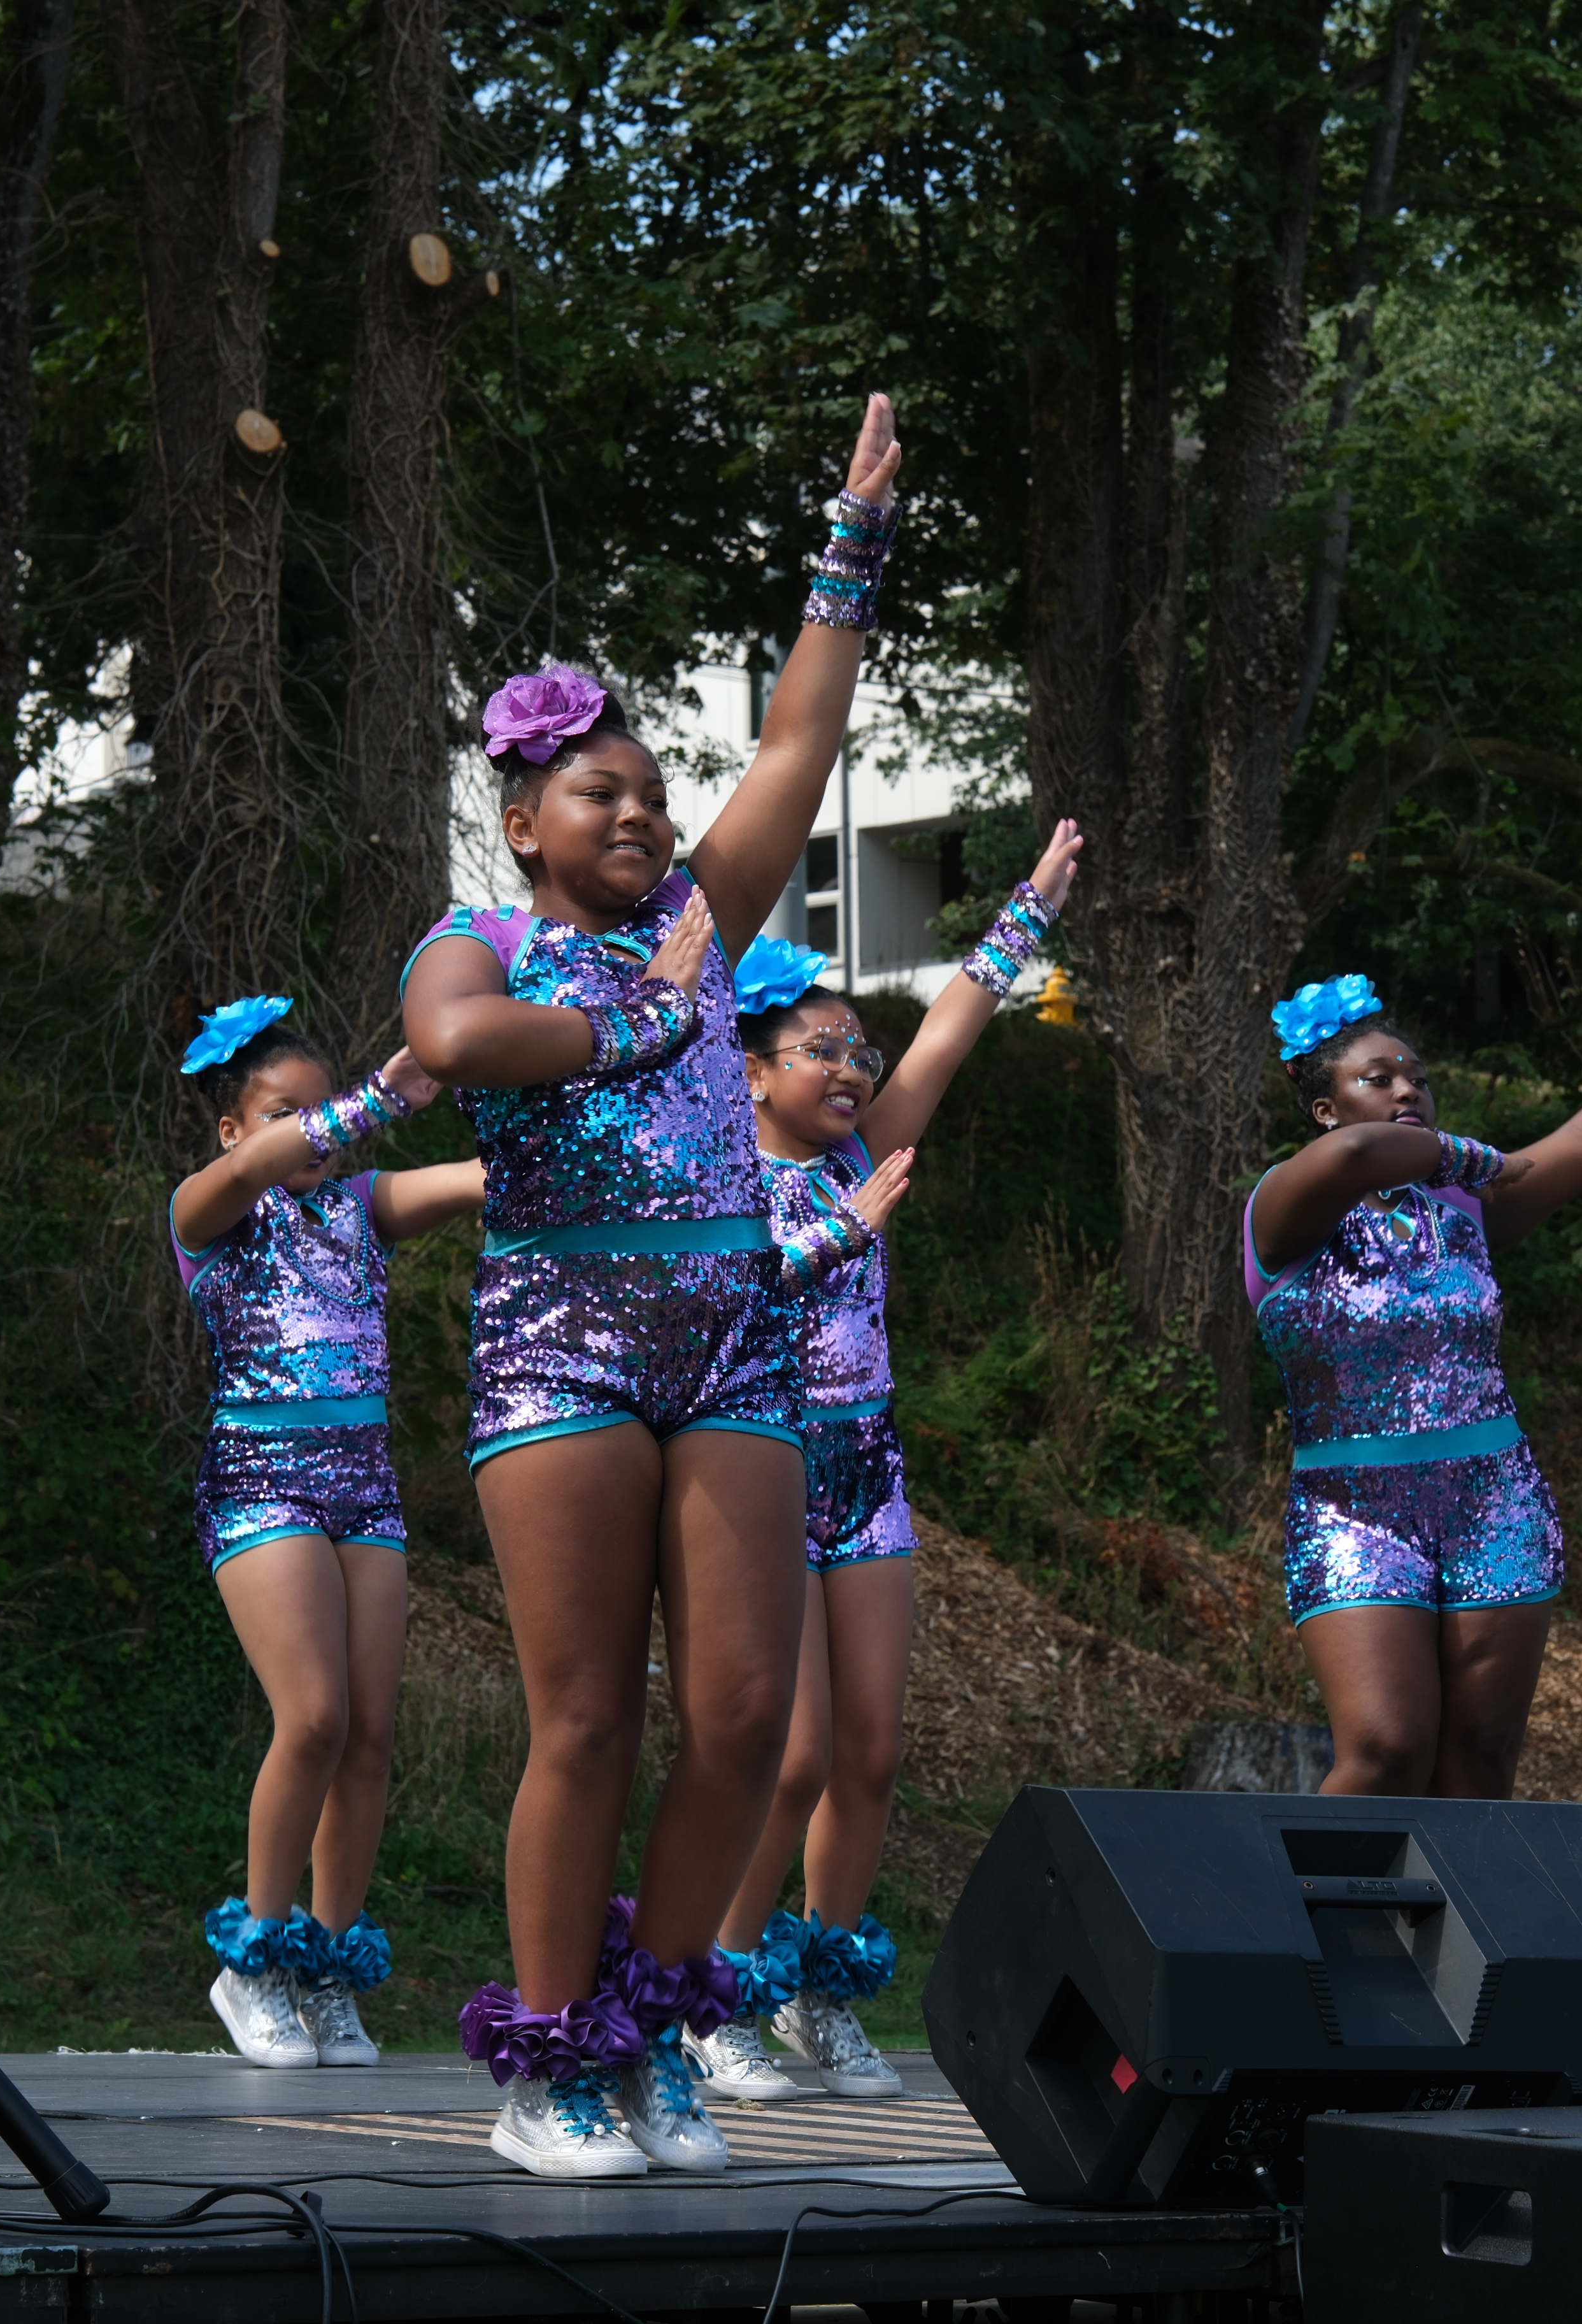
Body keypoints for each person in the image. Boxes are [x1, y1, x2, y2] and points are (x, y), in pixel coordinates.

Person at [398, 396, 903, 2179]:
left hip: (733, 1339)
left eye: (649, 791)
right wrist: (646, 1013)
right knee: (591, 1714)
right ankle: (550, 2065)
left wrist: (847, 550)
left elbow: (797, 745)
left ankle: (661, 2031)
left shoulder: (707, 917)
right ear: (526, 819)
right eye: (600, 792)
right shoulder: (493, 938)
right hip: (565, 1347)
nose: (643, 811)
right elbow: (457, 1046)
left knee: (753, 1719)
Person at [690, 821, 1082, 2107]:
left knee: (867, 1753)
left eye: (859, 1047)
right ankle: (720, 1993)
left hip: (869, 1470)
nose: (853, 1065)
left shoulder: (864, 1150)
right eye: (821, 1049)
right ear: (750, 1072)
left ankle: (821, 1993)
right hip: (762, 1470)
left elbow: (955, 1026)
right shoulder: (716, 1169)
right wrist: (835, 1236)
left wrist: (1026, 906)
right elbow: (721, 1303)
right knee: (788, 1756)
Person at [1244, 977, 1582, 1797]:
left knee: (1479, 1761)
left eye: (1418, 1078)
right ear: (1324, 1109)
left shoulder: (1462, 1208)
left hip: (1492, 1503)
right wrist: (1471, 1156)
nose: (1407, 1091)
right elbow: (1357, 1159)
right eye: (1378, 1079)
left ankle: (1449, 1928)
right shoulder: (1284, 1212)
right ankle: (1306, 1925)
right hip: (1353, 1510)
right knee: (1387, 1751)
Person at [167, 997, 480, 2071]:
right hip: (261, 1484)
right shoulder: (208, 1209)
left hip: (363, 1488)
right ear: (231, 1126)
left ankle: (328, 1968)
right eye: (279, 1113)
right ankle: (252, 1958)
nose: (312, 1130)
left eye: (318, 1109)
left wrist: (553, 1152)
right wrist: (377, 1098)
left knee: (369, 1736)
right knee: (311, 1716)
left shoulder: (356, 1206)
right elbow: (260, 1168)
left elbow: (473, 1183)